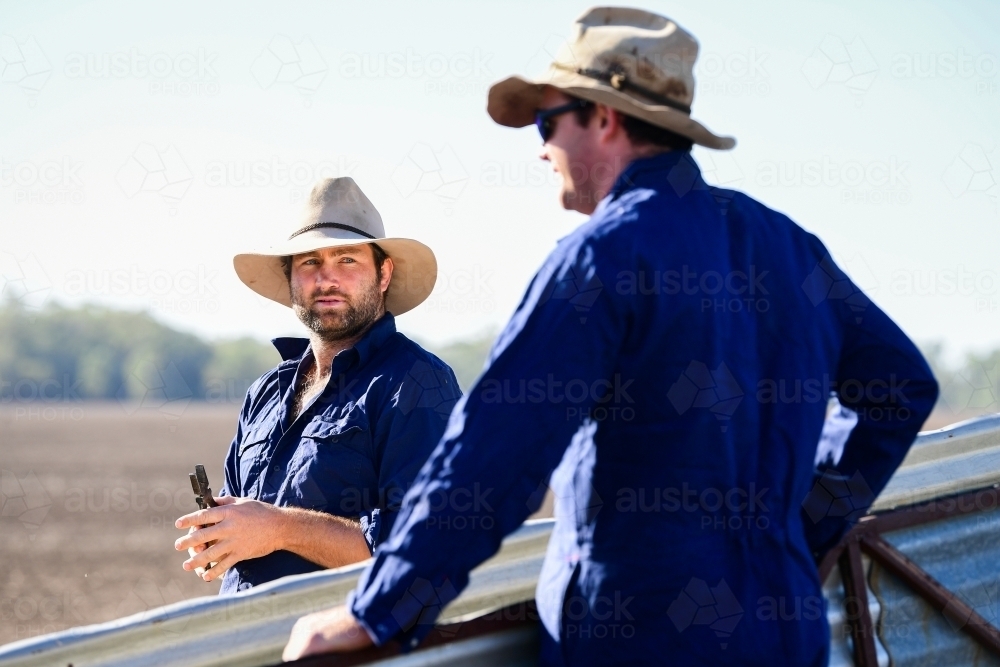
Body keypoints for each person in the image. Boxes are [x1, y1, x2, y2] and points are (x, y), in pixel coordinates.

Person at [282, 8, 939, 666]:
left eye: (547, 121)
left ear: (604, 117)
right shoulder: (790, 249)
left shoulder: (602, 258)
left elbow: (493, 457)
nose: (541, 146)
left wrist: (379, 611)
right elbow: (902, 388)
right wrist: (798, 528)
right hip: (788, 634)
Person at [174, 177, 461, 593]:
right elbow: (242, 522)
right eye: (309, 262)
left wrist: (280, 529)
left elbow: (423, 549)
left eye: (347, 260)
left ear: (383, 274)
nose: (327, 279)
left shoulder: (416, 383)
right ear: (290, 279)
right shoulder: (265, 393)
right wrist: (219, 536)